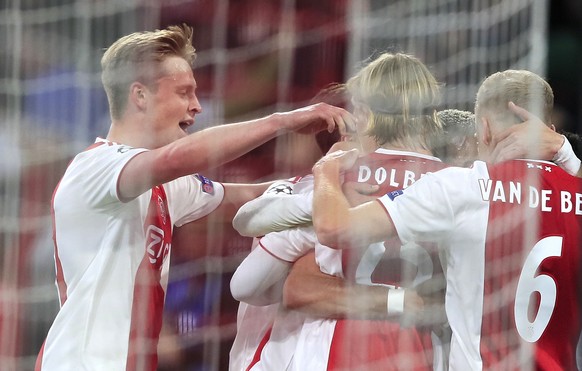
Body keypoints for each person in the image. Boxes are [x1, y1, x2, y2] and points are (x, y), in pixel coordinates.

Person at [34, 24, 354, 371]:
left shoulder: (163, 186)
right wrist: (283, 122)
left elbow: (244, 195)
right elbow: (178, 158)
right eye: (184, 93)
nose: (197, 106)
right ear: (140, 96)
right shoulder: (95, 167)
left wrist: (334, 177)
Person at [310, 69, 582, 370]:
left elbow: (333, 228)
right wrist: (567, 154)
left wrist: (325, 170)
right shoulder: (578, 192)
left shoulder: (458, 187)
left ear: (484, 129)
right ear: (551, 129)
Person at [230, 52, 451, 370]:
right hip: (422, 352)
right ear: (432, 114)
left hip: (335, 351)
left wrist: (324, 190)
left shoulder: (334, 182)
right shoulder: (455, 184)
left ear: (362, 113)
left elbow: (245, 281)